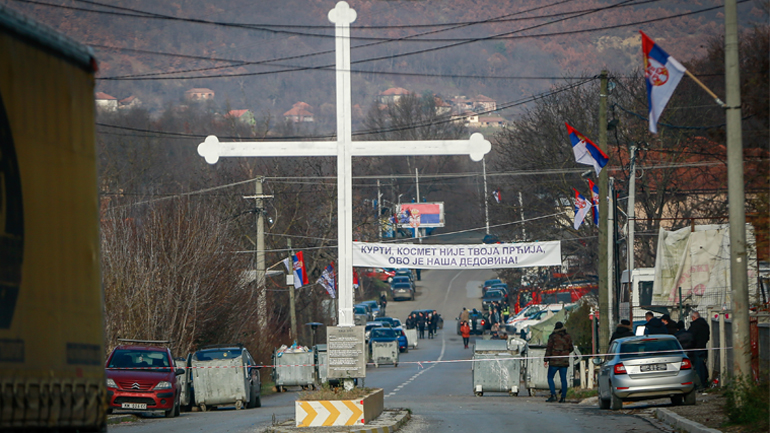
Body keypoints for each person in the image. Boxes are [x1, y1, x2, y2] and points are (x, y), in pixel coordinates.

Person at [544, 322, 573, 403]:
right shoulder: (568, 336)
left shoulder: (553, 336)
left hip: (554, 361)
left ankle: (553, 395)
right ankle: (563, 397)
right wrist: (565, 352)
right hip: (564, 361)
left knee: (550, 377)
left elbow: (549, 349)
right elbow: (571, 348)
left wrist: (546, 360)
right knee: (563, 379)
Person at [688, 310, 710, 390]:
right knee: (703, 365)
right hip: (703, 347)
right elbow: (707, 337)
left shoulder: (694, 326)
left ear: (694, 317)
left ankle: (700, 384)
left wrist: (691, 345)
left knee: (698, 367)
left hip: (696, 348)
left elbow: (691, 337)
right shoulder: (705, 325)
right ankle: (704, 382)